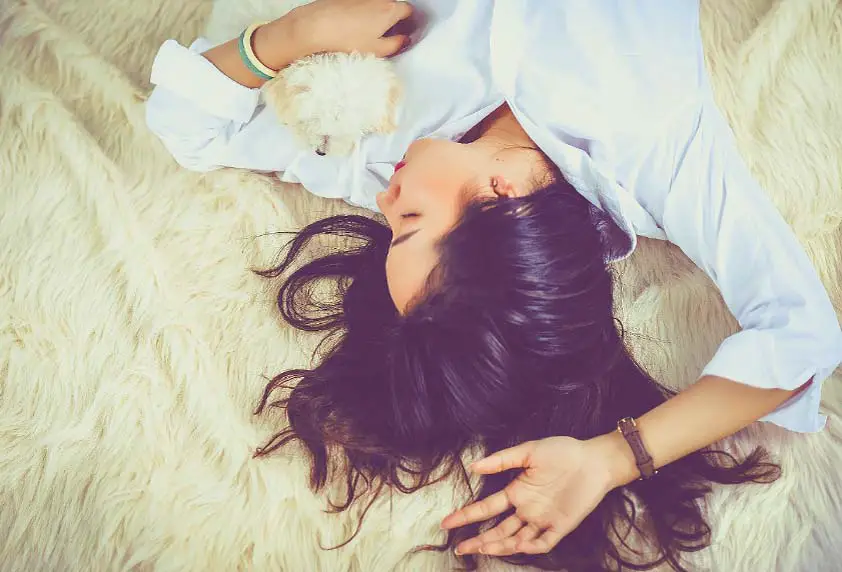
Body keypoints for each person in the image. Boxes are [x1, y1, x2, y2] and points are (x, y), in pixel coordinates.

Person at [145, 0, 842, 569]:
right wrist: (612, 459)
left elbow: (190, 128)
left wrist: (293, 36)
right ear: (504, 198)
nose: (386, 204)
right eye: (410, 221)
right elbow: (801, 334)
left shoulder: (380, 155)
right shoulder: (650, 141)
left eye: (391, 232)